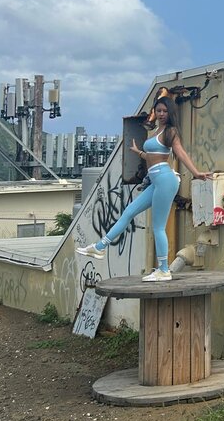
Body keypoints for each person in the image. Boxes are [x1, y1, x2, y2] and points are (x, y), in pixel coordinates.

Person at [76, 93, 212, 282]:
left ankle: (164, 270)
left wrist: (196, 173)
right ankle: (100, 247)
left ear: (170, 112)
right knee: (129, 212)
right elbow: (153, 156)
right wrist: (139, 152)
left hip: (165, 179)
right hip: (157, 180)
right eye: (158, 110)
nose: (161, 114)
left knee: (158, 227)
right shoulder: (157, 130)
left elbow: (180, 153)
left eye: (165, 111)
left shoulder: (170, 131)